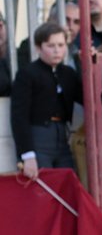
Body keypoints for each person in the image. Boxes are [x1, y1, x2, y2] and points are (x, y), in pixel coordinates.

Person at [10, 22, 82, 179]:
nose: (57, 50)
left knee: (66, 183)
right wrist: (27, 155)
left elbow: (85, 97)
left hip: (62, 137)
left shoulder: (68, 73)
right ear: (38, 47)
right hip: (38, 137)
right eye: (50, 45)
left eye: (61, 45)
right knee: (43, 186)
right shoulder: (27, 74)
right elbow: (19, 116)